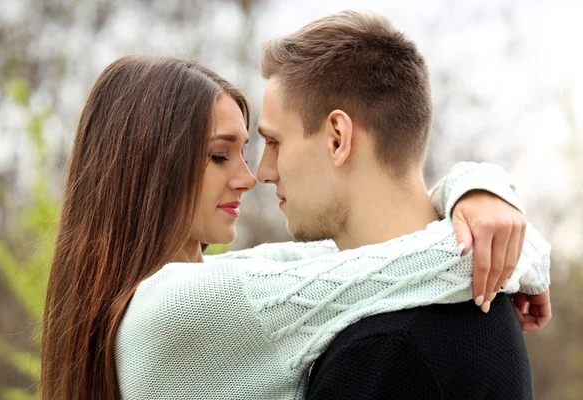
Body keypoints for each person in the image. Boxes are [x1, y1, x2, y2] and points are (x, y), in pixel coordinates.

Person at [40, 56, 548, 400]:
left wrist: (476, 194)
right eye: (221, 155)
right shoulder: (167, 311)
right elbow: (414, 266)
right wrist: (488, 203)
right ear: (149, 165)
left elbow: (362, 255)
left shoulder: (212, 285)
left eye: (250, 149)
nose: (248, 175)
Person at [254, 11, 550, 399]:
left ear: (337, 139)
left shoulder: (383, 348)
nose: (264, 170)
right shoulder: (472, 301)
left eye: (274, 142)